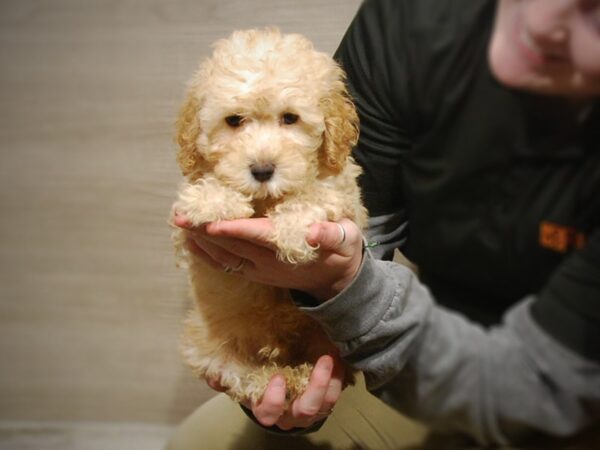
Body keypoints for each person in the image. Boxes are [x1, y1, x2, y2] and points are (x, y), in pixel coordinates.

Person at [168, 0, 600, 447]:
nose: (548, 24)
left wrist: (348, 292)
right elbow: (363, 227)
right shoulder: (408, 20)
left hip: (574, 381)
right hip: (428, 324)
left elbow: (543, 386)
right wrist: (309, 356)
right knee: (202, 442)